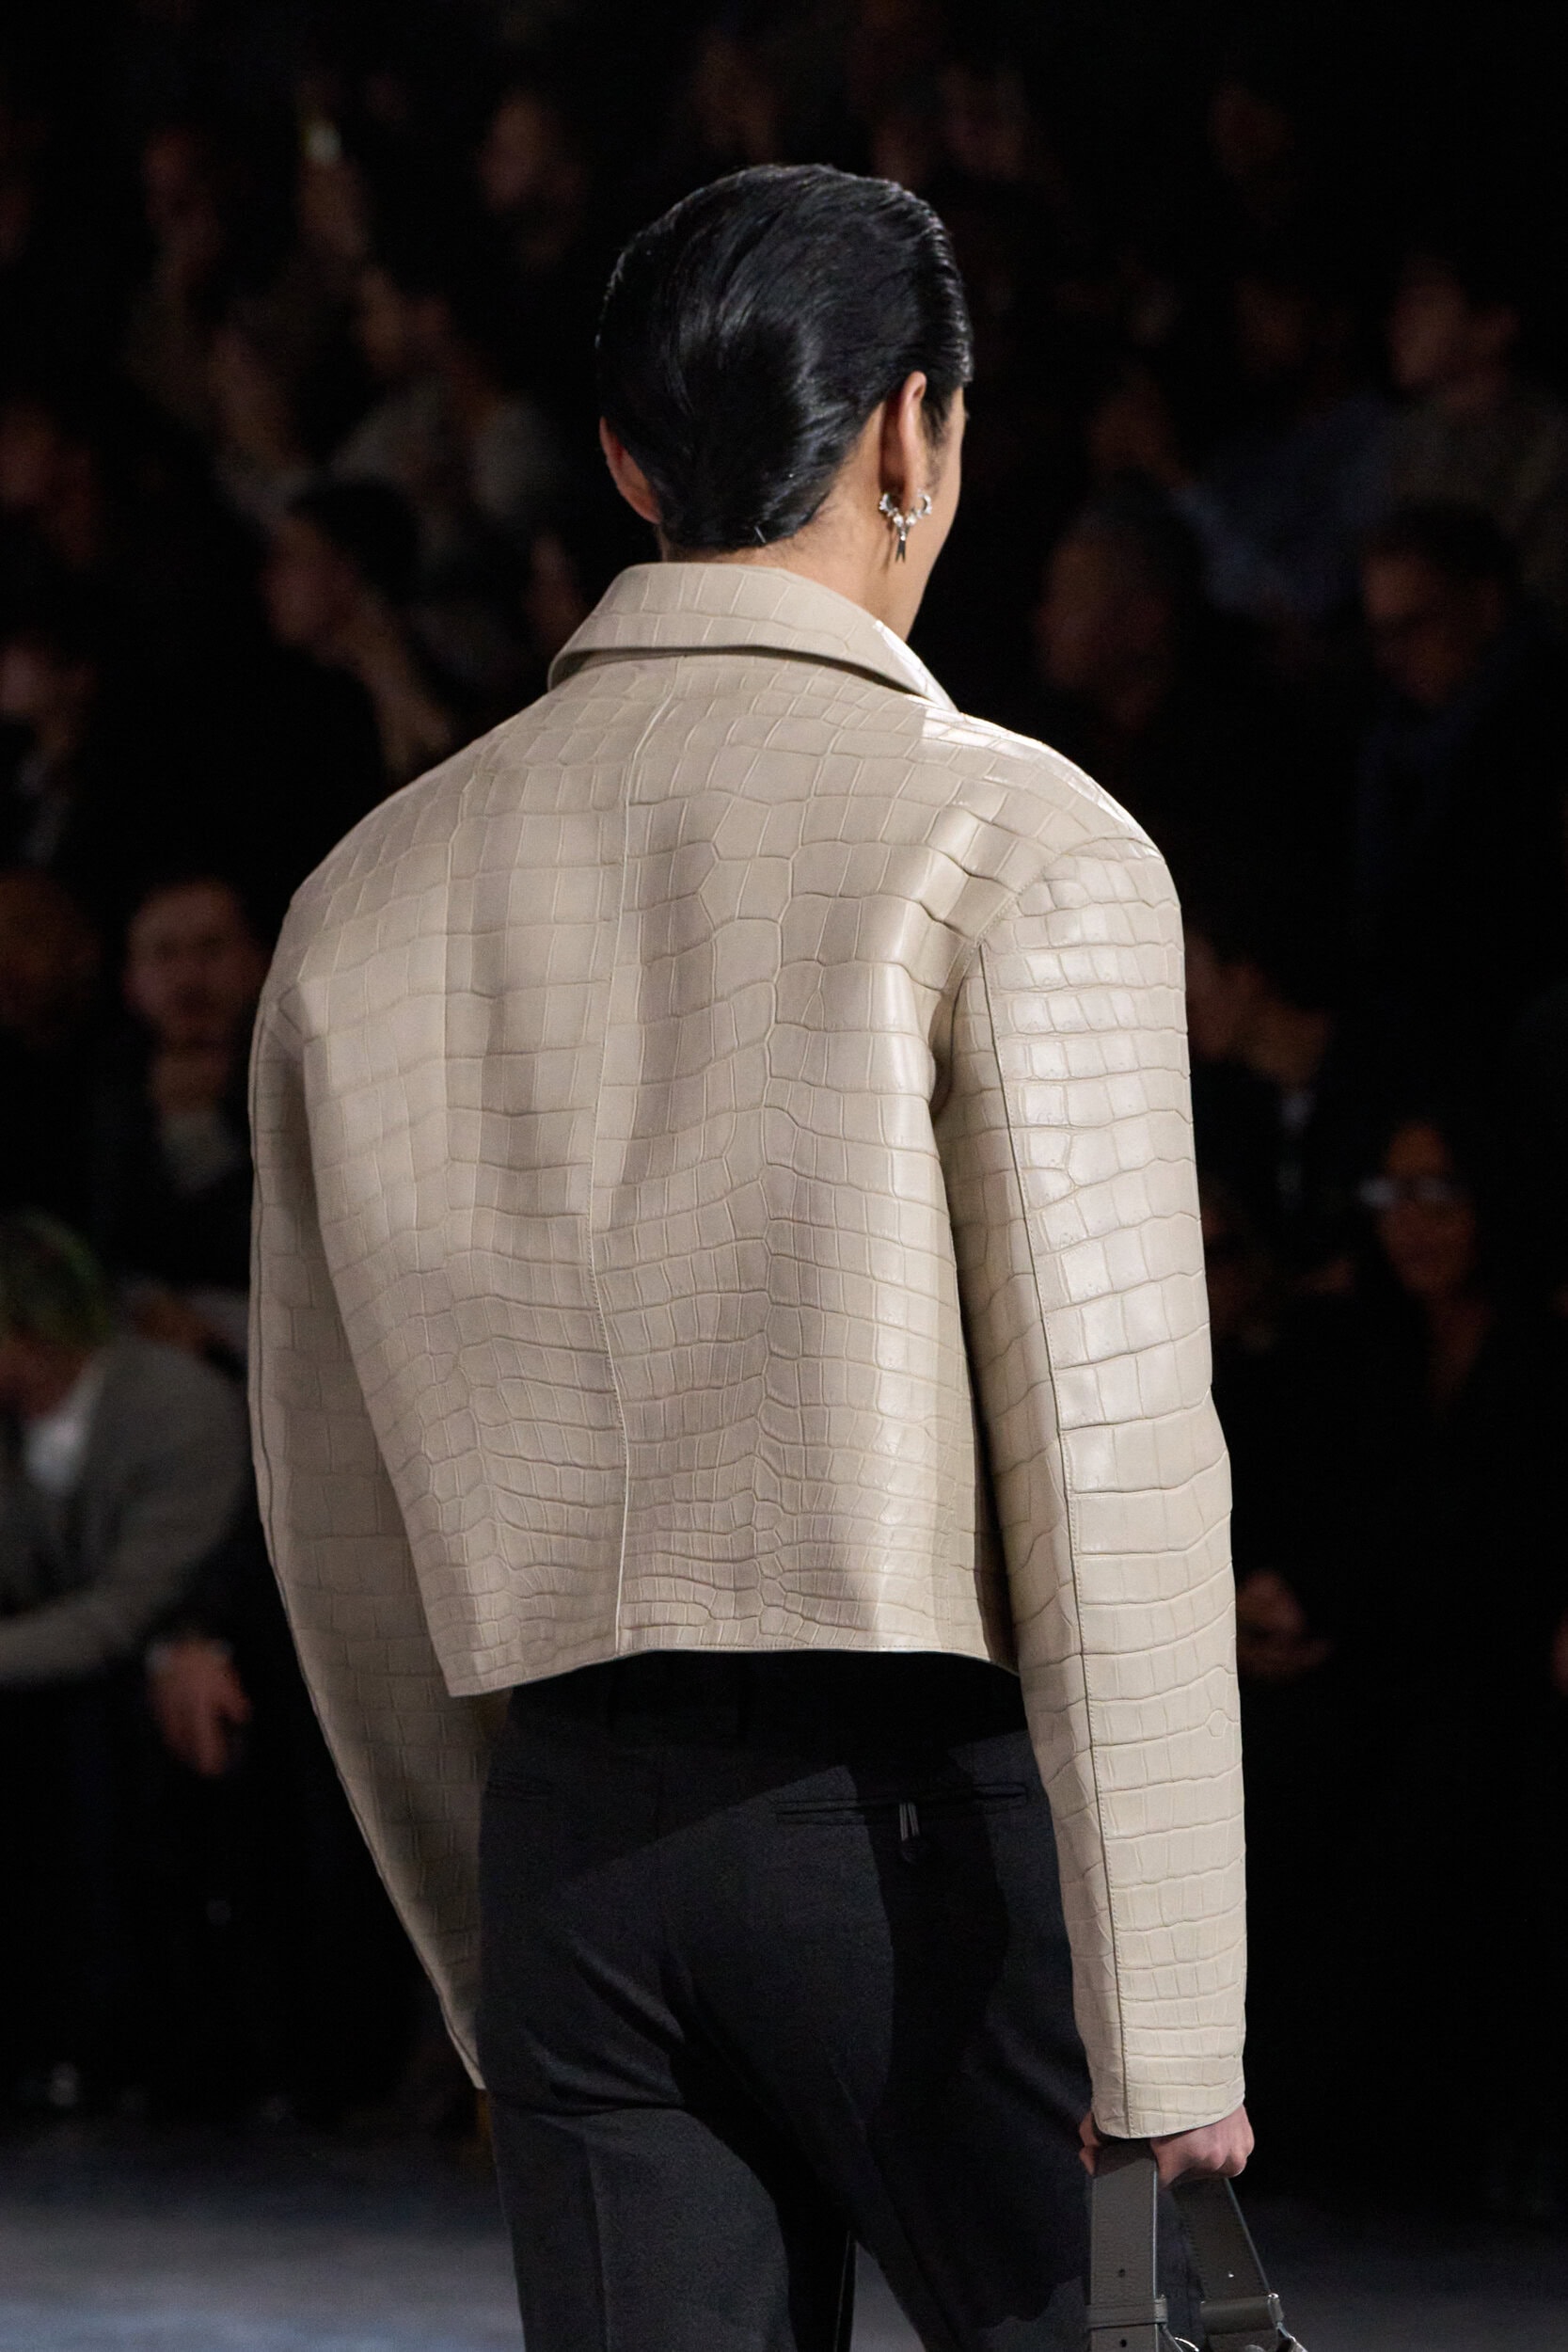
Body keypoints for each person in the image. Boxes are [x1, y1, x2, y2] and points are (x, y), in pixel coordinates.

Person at [251, 165, 1248, 2351]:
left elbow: (333, 1515)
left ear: (627, 462)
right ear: (913, 429)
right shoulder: (1019, 840)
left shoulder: (363, 896)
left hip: (569, 1845)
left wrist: (488, 1945)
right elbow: (1111, 1466)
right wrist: (1170, 2008)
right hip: (924, 1842)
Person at [1354, 501, 1568, 1095]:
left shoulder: (1538, 730)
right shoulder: (1395, 743)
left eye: (1414, 627)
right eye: (1381, 634)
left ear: (1484, 604)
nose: (1392, 657)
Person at [89, 874, 266, 1369]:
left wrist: (196, 1130)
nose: (189, 979)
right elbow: (102, 1236)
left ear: (260, 961)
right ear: (130, 981)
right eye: (164, 955)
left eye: (212, 950)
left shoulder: (305, 1065)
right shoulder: (109, 1083)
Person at [1386, 239, 1568, 628]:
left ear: (1493, 325)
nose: (1401, 321)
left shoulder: (1547, 446)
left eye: (1426, 303)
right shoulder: (1407, 438)